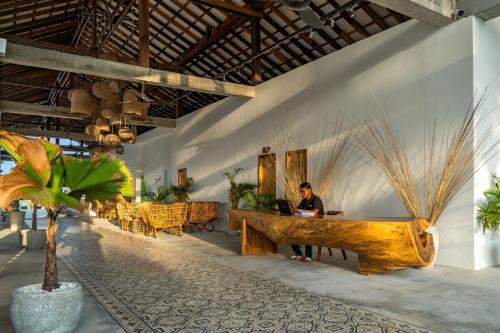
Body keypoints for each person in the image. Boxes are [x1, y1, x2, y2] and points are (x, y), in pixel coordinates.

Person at [290, 182, 324, 262]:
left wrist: (302, 211)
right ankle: (298, 253)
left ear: (309, 190)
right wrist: (301, 211)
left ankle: (308, 255)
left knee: (307, 231)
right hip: (306, 223)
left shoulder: (317, 200)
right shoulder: (304, 201)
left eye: (303, 191)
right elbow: (296, 210)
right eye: (300, 191)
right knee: (290, 232)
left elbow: (314, 213)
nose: (301, 193)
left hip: (319, 225)